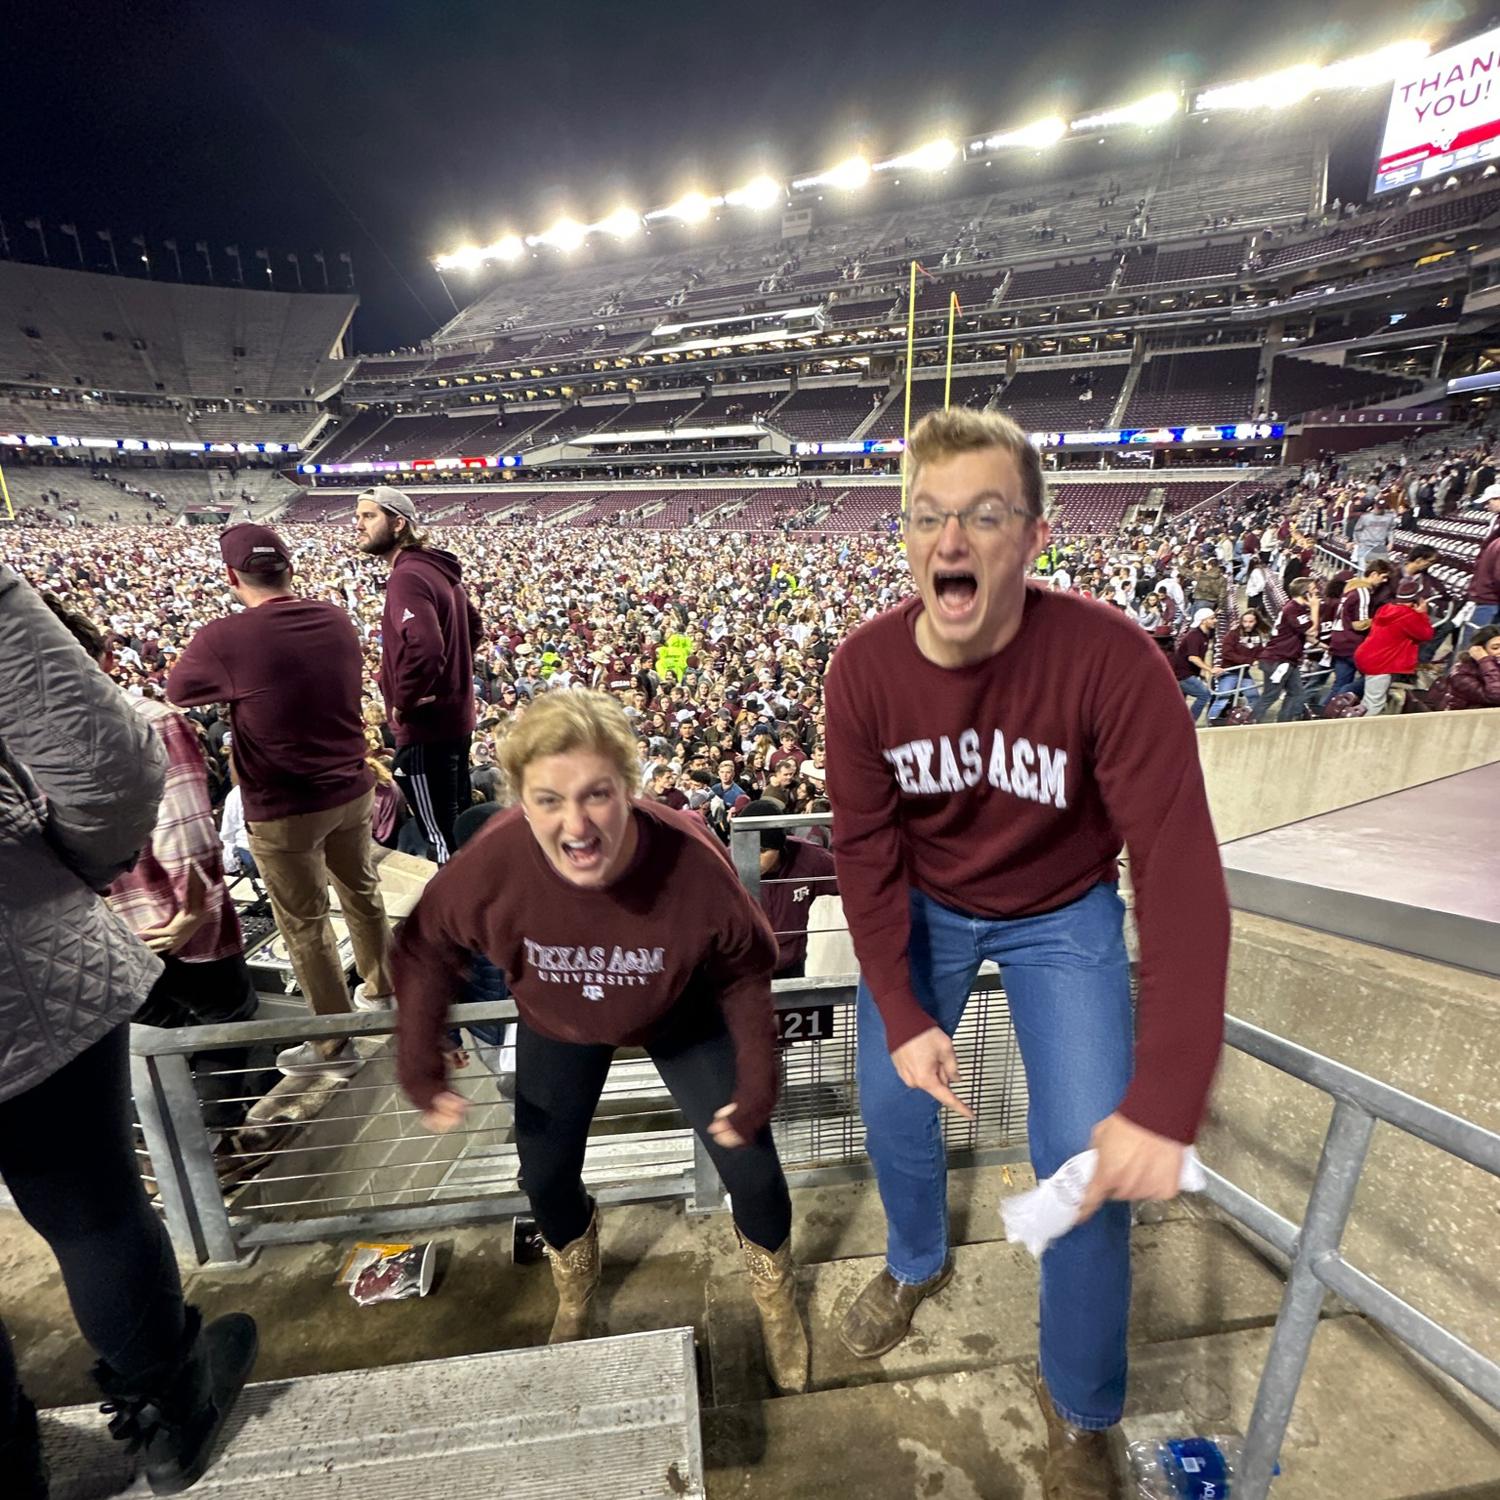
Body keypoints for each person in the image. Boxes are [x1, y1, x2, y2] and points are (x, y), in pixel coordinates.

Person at [823, 408, 1228, 1498]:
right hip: (925, 905)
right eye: (927, 516)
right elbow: (862, 854)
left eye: (984, 515)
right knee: (891, 1097)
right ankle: (916, 1262)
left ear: (1035, 536)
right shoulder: (861, 672)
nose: (950, 541)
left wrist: (1167, 1094)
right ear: (906, 535)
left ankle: (1082, 1408)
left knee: (1084, 1160)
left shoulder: (1110, 660)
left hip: (1066, 909)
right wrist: (906, 1017)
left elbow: (1181, 874)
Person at [392, 691, 809, 1392]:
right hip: (560, 1021)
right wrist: (419, 1054)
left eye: (598, 796)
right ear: (518, 800)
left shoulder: (689, 858)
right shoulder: (493, 862)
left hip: (682, 1014)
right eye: (548, 800)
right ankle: (575, 1289)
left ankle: (776, 1303)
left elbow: (743, 966)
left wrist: (757, 1074)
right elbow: (423, 944)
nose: (576, 825)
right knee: (546, 1174)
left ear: (632, 790)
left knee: (754, 1172)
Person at [0, 565, 256, 1496]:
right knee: (92, 1207)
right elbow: (104, 765)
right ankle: (166, 1414)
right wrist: (79, 869)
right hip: (20, 967)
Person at [167, 524, 396, 1075]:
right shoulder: (336, 618)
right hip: (350, 789)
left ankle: (333, 1045)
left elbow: (179, 691)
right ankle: (384, 992)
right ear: (289, 569)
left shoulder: (224, 639)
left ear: (231, 577)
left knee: (305, 923)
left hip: (284, 805)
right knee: (362, 891)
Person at [355, 486, 483, 865]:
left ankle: (454, 917)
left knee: (440, 837)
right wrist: (451, 682)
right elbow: (473, 629)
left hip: (427, 730)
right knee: (460, 826)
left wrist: (405, 700)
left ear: (398, 524)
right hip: (455, 721)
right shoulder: (437, 569)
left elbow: (426, 647)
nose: (358, 524)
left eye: (368, 516)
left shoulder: (407, 576)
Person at [737, 798, 839, 978]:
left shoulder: (810, 859)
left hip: (792, 964)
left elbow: (852, 881)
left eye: (762, 850)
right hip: (744, 970)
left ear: (779, 847)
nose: (753, 856)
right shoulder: (727, 864)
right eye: (747, 847)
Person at [1355, 579, 1433, 716]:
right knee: (1374, 704)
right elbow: (1426, 634)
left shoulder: (1385, 608)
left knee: (1368, 701)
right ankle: (1360, 733)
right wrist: (1422, 614)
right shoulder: (1408, 615)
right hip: (1380, 663)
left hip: (1367, 656)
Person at [1252, 577, 1319, 723]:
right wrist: (1315, 608)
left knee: (1297, 694)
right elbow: (1312, 631)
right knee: (1271, 695)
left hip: (1288, 660)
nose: (1317, 592)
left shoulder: (1297, 608)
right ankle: (1249, 724)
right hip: (1277, 659)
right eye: (1314, 589)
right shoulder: (1293, 609)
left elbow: (1308, 636)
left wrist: (1322, 645)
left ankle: (1283, 723)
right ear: (1305, 593)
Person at [1170, 607, 1219, 724]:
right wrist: (1210, 669)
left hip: (1187, 674)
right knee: (1204, 695)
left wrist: (1202, 673)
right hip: (1182, 675)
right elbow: (1193, 657)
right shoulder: (1194, 636)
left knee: (1179, 702)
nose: (1215, 620)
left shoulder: (1204, 635)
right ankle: (1190, 723)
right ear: (1203, 621)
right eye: (1212, 618)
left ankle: (1177, 724)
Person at [1441, 625, 1500, 709]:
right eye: (1495, 648)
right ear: (1480, 649)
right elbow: (1496, 695)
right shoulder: (1461, 673)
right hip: (1470, 719)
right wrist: (1485, 660)